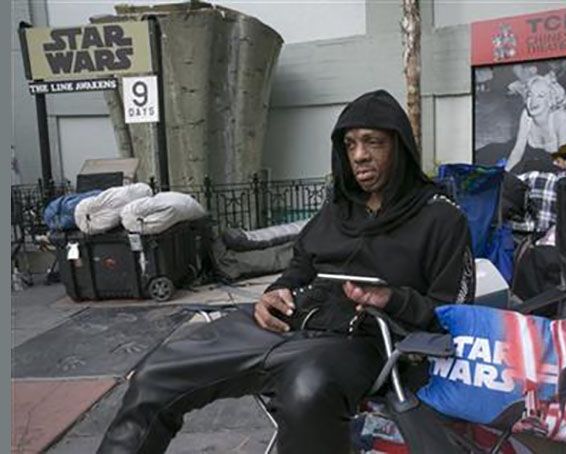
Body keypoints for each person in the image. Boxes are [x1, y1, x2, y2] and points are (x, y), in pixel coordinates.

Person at [97, 89, 476, 454]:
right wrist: (274, 293)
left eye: (372, 142)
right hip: (284, 323)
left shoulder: (440, 218)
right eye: (349, 144)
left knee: (307, 389)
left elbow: (452, 315)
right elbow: (299, 269)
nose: (359, 156)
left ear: (400, 146)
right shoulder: (337, 210)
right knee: (157, 372)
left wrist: (391, 298)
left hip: (360, 340)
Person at [504, 72, 566, 174]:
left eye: (540, 96)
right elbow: (517, 151)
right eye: (530, 95)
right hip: (546, 156)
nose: (533, 101)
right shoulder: (526, 115)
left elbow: (564, 161)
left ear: (551, 101)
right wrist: (504, 176)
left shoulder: (561, 118)